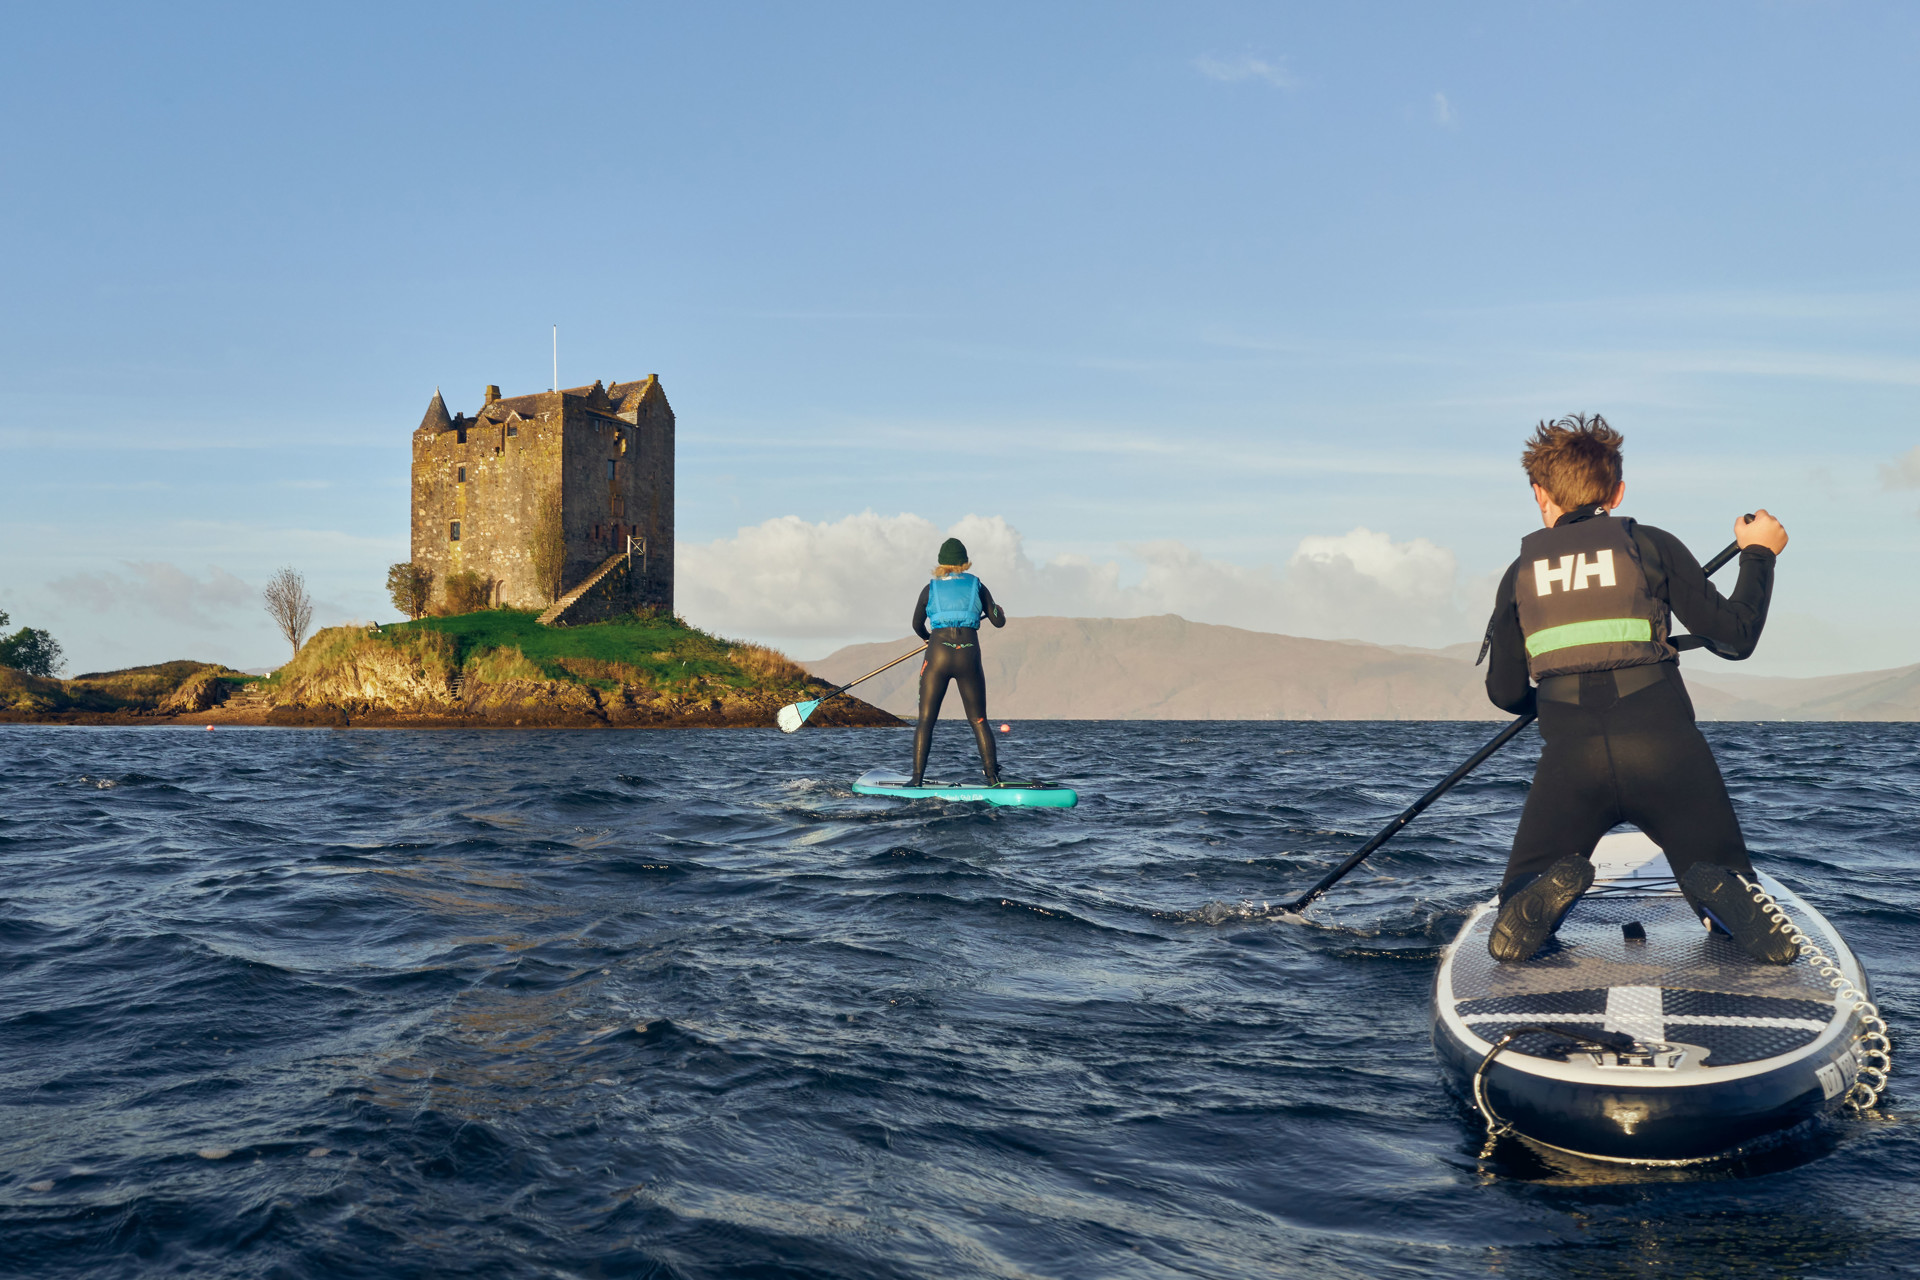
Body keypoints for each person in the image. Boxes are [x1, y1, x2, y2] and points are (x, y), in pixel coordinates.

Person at [1479, 415, 1795, 964]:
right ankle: (1719, 897)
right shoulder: (1650, 545)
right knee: (1720, 875)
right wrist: (1759, 553)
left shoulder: (1519, 574)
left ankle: (1531, 902)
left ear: (1539, 494)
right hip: (1664, 748)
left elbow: (1505, 691)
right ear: (1618, 492)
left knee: (1521, 891)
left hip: (1571, 756)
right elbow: (1737, 637)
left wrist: (1550, 699)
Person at [909, 538, 1007, 786]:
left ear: (941, 563)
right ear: (965, 562)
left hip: (938, 653)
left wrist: (927, 639)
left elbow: (916, 624)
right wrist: (999, 610)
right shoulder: (978, 586)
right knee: (979, 720)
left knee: (926, 720)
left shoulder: (929, 588)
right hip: (968, 653)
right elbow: (997, 621)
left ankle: (917, 780)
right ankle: (993, 779)